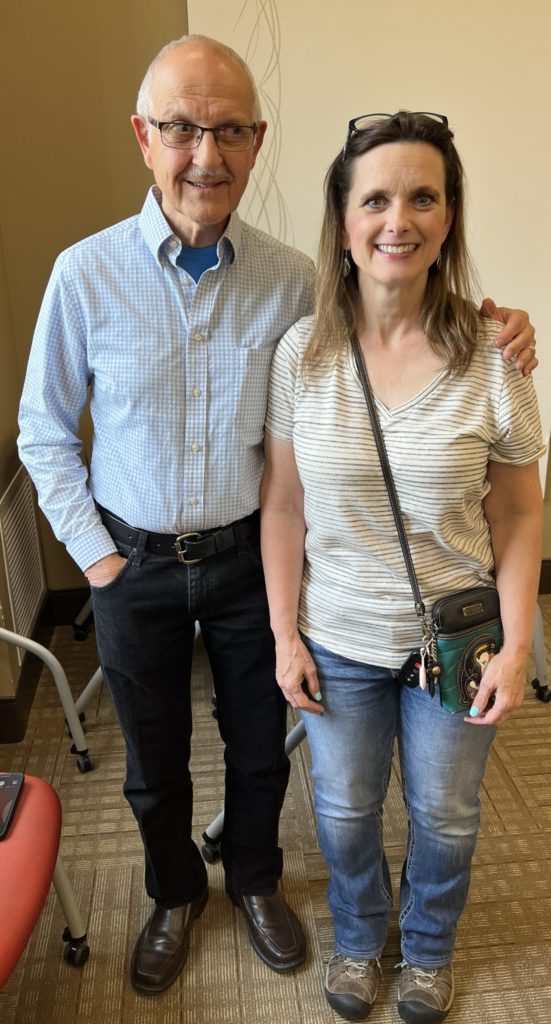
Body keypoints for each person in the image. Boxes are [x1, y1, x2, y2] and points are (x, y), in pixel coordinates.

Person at [17, 34, 536, 996]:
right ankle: (174, 893)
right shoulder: (83, 275)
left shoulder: (296, 279)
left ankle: (255, 879)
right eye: (180, 128)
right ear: (144, 136)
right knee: (152, 756)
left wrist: (500, 321)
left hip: (249, 557)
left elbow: (400, 305)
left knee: (262, 744)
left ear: (257, 143)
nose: (204, 155)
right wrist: (94, 559)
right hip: (129, 561)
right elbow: (41, 431)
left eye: (227, 131)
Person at [260, 110, 544, 1024]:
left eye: (423, 197)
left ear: (449, 216)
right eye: (374, 198)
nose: (398, 219)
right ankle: (356, 937)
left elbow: (517, 507)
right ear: (342, 221)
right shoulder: (301, 356)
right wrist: (281, 634)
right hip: (337, 634)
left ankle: (424, 951)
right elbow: (283, 504)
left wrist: (517, 646)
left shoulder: (494, 355)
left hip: (459, 639)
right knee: (342, 814)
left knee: (446, 817)